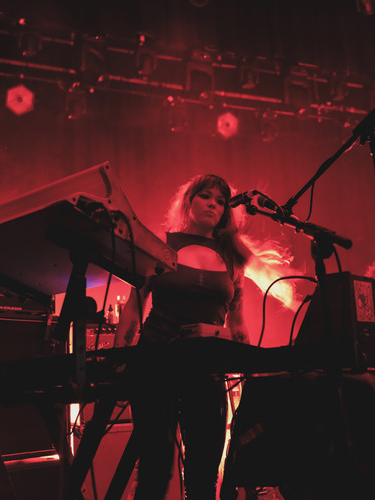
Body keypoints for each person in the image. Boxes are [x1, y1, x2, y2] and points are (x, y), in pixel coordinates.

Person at [114, 174, 251, 500]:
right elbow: (134, 306)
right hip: (156, 361)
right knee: (155, 471)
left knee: (204, 477)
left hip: (208, 371)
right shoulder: (160, 246)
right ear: (189, 201)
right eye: (206, 196)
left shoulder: (232, 258)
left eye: (220, 201)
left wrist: (248, 368)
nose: (213, 204)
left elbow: (238, 321)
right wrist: (119, 358)